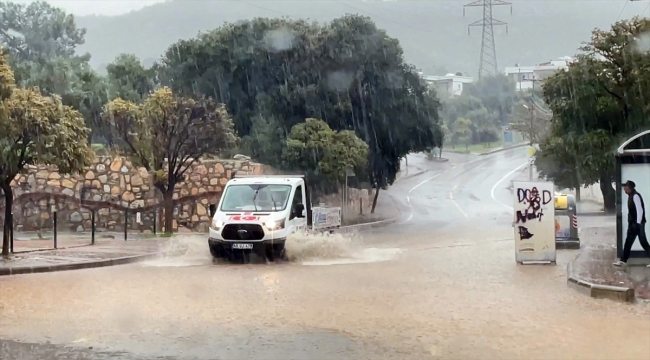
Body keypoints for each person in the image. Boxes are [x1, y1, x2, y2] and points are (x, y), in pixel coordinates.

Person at [613, 180, 650, 267]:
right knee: (628, 242)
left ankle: (623, 260)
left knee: (643, 242)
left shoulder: (635, 196)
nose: (624, 189)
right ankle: (623, 260)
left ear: (630, 188)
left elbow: (640, 210)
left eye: (625, 187)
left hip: (637, 224)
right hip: (633, 223)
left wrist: (638, 223)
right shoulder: (631, 196)